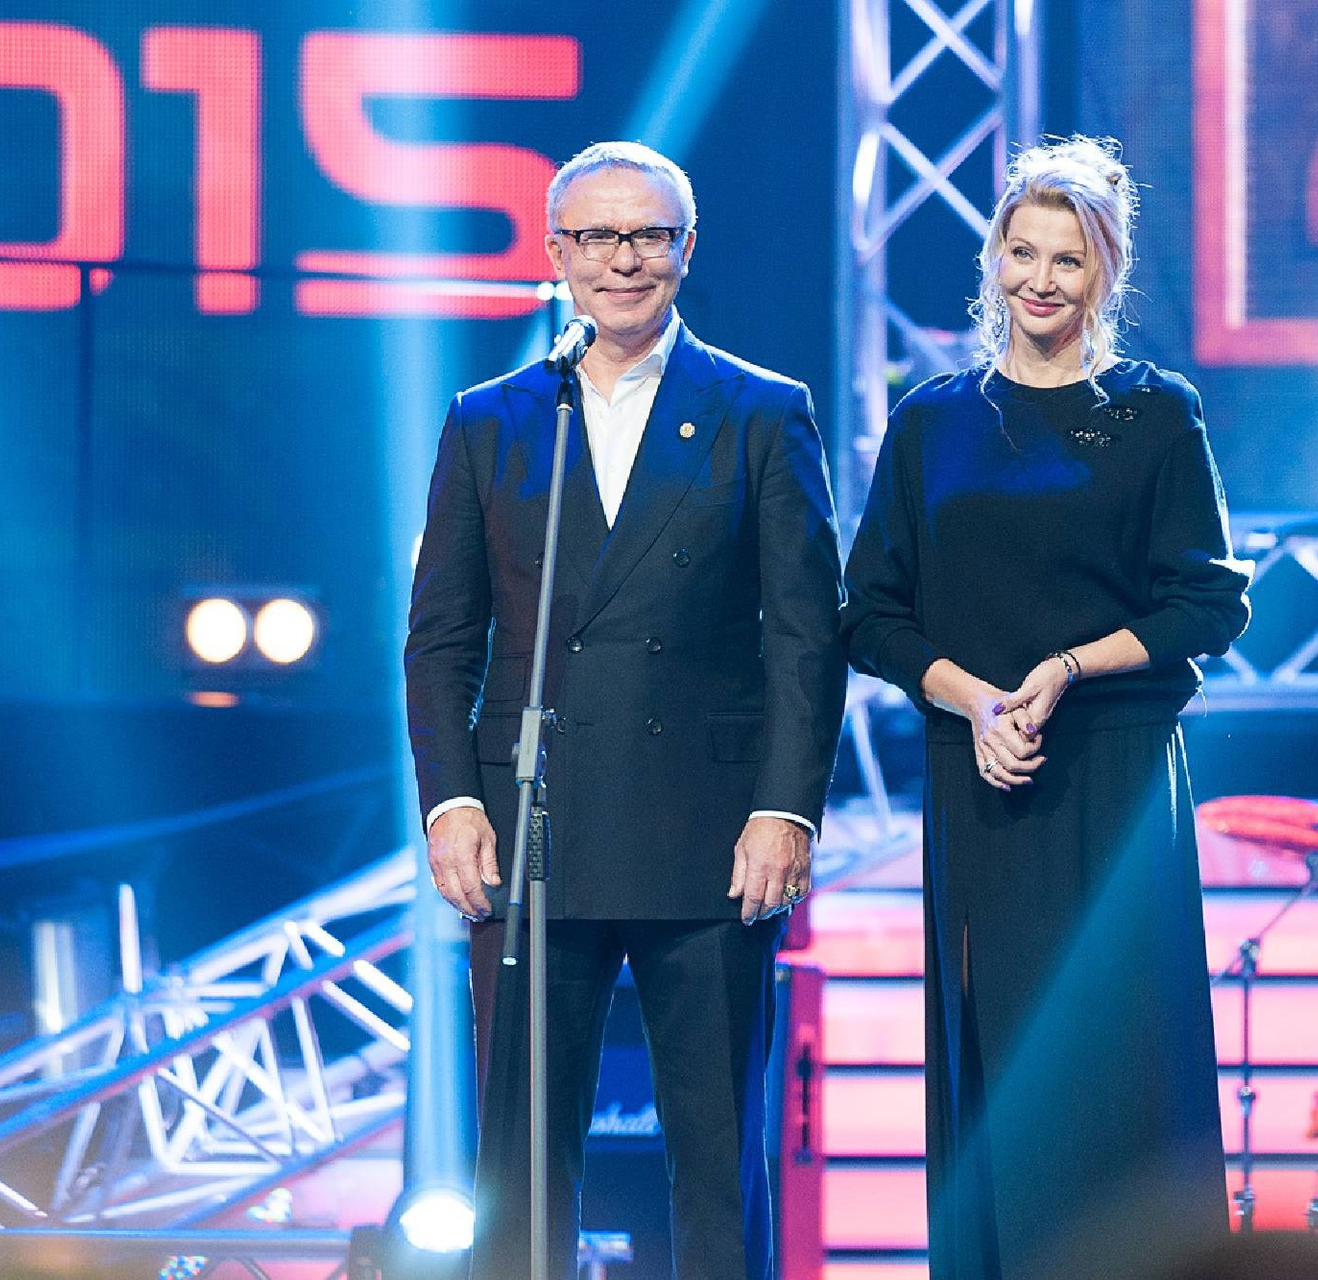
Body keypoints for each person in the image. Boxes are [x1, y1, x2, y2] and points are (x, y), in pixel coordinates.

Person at [404, 141, 846, 1280]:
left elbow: (807, 636)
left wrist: (785, 809)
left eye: (647, 234)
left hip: (709, 831)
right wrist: (452, 802)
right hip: (531, 830)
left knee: (716, 1152)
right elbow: (442, 637)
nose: (623, 259)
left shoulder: (762, 411)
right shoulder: (495, 418)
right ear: (556, 254)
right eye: (596, 236)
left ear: (686, 249)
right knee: (520, 1154)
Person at [842, 136, 1252, 1278]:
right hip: (980, 781)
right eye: (1021, 252)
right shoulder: (932, 421)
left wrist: (1066, 668)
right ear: (993, 260)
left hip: (1114, 776)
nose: (1040, 279)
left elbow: (1209, 602)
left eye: (1067, 259)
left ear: (1104, 272)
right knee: (1002, 1062)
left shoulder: (1156, 415)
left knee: (1122, 1059)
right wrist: (977, 703)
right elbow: (869, 613)